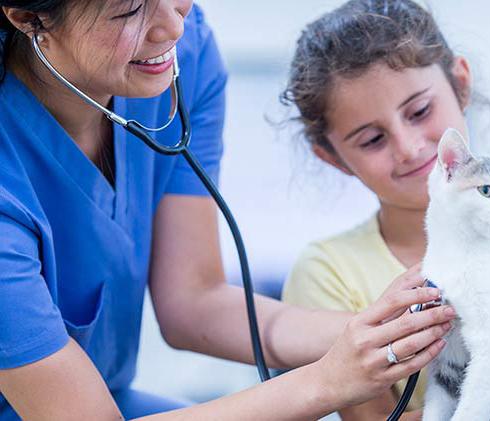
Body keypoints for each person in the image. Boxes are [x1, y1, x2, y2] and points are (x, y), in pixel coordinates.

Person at [0, 1, 457, 419]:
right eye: (130, 12)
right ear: (25, 15)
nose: (173, 26)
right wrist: (326, 381)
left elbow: (192, 303)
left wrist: (399, 333)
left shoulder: (179, 54)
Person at [280, 0, 490, 419]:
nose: (409, 147)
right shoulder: (326, 271)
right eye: (372, 140)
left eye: (420, 111)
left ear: (460, 84)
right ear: (332, 157)